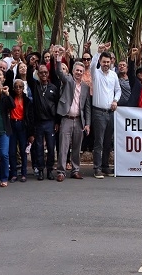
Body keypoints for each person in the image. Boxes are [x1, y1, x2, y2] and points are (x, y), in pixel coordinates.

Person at [54, 50, 91, 181]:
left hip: (79, 120)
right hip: (66, 118)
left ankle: (75, 170)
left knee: (77, 147)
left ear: (83, 72)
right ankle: (61, 171)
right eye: (77, 70)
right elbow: (59, 73)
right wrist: (59, 59)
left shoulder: (86, 87)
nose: (79, 72)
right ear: (73, 71)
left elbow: (87, 107)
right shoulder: (68, 80)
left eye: (81, 71)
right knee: (63, 147)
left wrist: (87, 124)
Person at [90, 48, 121, 179]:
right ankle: (97, 168)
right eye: (104, 62)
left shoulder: (113, 75)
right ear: (100, 61)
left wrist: (115, 100)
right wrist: (98, 52)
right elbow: (92, 64)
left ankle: (105, 166)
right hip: (98, 113)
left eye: (108, 62)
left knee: (108, 141)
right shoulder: (95, 73)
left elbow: (118, 90)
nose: (106, 64)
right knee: (99, 141)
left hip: (111, 112)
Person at [27, 60, 60, 180]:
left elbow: (57, 104)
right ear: (38, 74)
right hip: (39, 122)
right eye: (41, 73)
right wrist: (30, 65)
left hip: (50, 122)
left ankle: (50, 170)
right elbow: (28, 77)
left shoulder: (53, 88)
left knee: (51, 147)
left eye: (45, 72)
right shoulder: (35, 86)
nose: (44, 74)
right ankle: (40, 170)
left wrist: (57, 122)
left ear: (48, 73)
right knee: (39, 147)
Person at [9, 79, 34, 182]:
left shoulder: (27, 101)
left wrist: (31, 133)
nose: (18, 89)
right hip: (12, 125)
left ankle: (24, 173)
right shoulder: (11, 98)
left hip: (22, 126)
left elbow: (31, 117)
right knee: (12, 151)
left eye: (20, 87)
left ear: (23, 88)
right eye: (16, 87)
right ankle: (14, 174)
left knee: (23, 150)